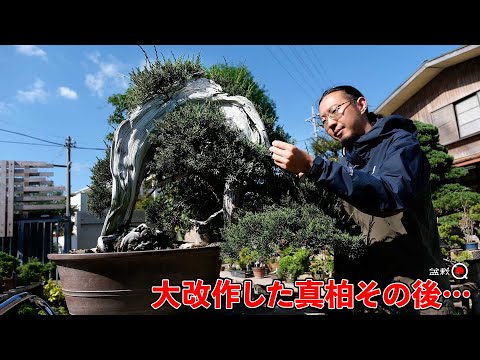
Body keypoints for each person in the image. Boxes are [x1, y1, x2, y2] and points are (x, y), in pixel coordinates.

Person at [269, 85, 455, 315]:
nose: (330, 124)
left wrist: (315, 167)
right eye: (324, 120)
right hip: (366, 295)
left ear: (361, 104)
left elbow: (389, 193)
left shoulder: (400, 145)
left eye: (335, 111)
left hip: (414, 293)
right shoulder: (346, 166)